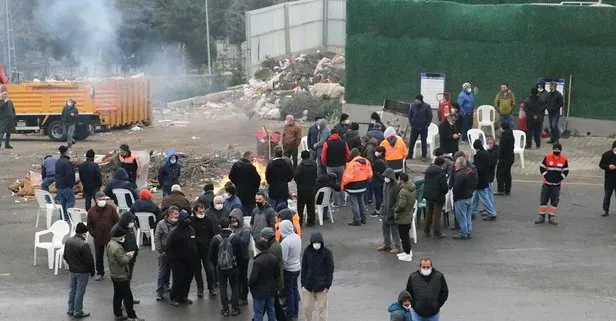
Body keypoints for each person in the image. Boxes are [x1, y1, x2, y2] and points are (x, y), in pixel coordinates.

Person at [107, 229, 143, 321]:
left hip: (114, 273)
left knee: (117, 295)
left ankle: (118, 314)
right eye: (122, 236)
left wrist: (124, 255)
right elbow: (123, 261)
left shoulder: (110, 243)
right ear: (118, 236)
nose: (123, 238)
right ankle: (132, 316)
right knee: (128, 296)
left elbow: (117, 257)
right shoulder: (117, 247)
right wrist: (129, 256)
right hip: (121, 275)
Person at [210, 217, 242, 316]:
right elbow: (241, 253)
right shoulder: (235, 237)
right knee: (235, 287)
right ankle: (235, 309)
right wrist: (238, 264)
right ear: (230, 225)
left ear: (220, 226)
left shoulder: (216, 239)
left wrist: (217, 263)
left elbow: (211, 255)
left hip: (221, 267)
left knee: (223, 287)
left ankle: (225, 309)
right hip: (233, 266)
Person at [166, 210, 197, 306]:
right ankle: (174, 297)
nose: (188, 220)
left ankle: (184, 296)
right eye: (186, 219)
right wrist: (173, 259)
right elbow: (168, 247)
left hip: (190, 260)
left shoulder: (191, 229)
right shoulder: (174, 232)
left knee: (188, 279)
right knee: (178, 280)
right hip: (178, 260)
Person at [64, 223, 95, 319]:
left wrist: (71, 265)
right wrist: (92, 271)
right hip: (82, 272)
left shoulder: (68, 241)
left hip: (72, 270)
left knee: (72, 290)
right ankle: (78, 311)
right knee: (80, 291)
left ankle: (70, 309)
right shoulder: (84, 245)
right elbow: (89, 260)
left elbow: (65, 256)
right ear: (84, 233)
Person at [301, 232, 334, 321]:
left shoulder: (327, 253)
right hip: (308, 286)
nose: (316, 244)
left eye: (318, 242)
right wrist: (303, 284)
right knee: (307, 309)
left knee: (322, 312)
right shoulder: (307, 251)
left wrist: (327, 285)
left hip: (322, 287)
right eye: (314, 242)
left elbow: (330, 270)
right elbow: (304, 267)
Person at [87, 192, 119, 281]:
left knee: (112, 256)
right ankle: (100, 272)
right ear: (96, 200)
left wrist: (114, 232)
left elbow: (117, 220)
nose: (102, 201)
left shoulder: (111, 209)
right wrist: (94, 234)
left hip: (110, 237)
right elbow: (89, 225)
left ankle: (115, 272)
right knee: (98, 256)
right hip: (98, 238)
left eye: (104, 199)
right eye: (100, 199)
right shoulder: (91, 211)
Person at [110, 212, 141, 306]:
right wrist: (125, 255)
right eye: (131, 221)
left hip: (131, 259)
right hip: (123, 260)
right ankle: (125, 300)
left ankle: (128, 297)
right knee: (123, 282)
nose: (132, 223)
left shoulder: (129, 228)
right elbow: (115, 246)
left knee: (128, 280)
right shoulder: (117, 229)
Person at [535, 143, 569, 225]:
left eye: (558, 149)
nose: (556, 150)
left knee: (554, 202)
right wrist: (546, 176)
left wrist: (560, 178)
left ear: (560, 150)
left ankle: (552, 217)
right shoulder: (547, 157)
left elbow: (566, 170)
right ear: (553, 149)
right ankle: (541, 217)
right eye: (555, 149)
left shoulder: (564, 160)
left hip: (556, 185)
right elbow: (542, 167)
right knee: (543, 200)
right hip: (546, 184)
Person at [191, 203, 220, 298]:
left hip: (207, 249)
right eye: (200, 212)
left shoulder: (208, 220)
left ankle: (211, 287)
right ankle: (200, 288)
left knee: (210, 270)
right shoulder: (191, 221)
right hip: (195, 251)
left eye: (203, 211)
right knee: (197, 271)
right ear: (195, 211)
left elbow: (212, 233)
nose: (202, 213)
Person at [249, 239, 280, 321]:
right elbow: (277, 275)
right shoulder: (274, 258)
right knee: (271, 309)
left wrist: (250, 284)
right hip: (271, 290)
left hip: (259, 292)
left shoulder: (257, 262)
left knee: (258, 312)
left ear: (259, 249)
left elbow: (253, 279)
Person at [260, 227, 286, 321]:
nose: (261, 239)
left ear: (267, 237)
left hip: (273, 281)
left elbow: (270, 266)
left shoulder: (272, 249)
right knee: (275, 304)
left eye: (262, 237)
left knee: (268, 304)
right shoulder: (275, 244)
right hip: (275, 279)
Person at [342, 148, 373, 226]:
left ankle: (357, 220)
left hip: (353, 187)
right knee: (361, 202)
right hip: (363, 185)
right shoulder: (366, 162)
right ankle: (363, 218)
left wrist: (343, 185)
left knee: (354, 203)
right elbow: (370, 174)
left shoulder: (351, 164)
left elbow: (348, 178)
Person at [154, 206, 179, 301]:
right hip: (164, 252)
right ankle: (159, 292)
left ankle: (169, 287)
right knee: (162, 272)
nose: (177, 216)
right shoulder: (161, 224)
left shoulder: (179, 224)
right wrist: (160, 251)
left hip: (176, 253)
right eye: (175, 214)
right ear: (169, 214)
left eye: (178, 214)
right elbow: (157, 238)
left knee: (176, 272)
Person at [321, 128, 350, 206]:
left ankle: (335, 202)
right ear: (337, 134)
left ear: (330, 134)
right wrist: (345, 162)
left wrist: (325, 164)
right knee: (341, 183)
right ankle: (343, 202)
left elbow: (323, 156)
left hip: (330, 166)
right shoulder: (343, 143)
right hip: (341, 166)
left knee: (333, 184)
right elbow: (348, 154)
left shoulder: (327, 143)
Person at [230, 208, 253, 306]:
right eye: (231, 219)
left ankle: (243, 296)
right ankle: (236, 296)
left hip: (243, 257)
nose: (232, 221)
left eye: (234, 219)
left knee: (242, 277)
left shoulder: (245, 229)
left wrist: (232, 236)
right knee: (235, 278)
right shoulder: (232, 227)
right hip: (234, 256)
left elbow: (244, 242)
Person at [280, 220, 302, 321]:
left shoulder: (285, 242)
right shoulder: (297, 237)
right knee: (294, 290)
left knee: (289, 293)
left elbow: (283, 259)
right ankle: (296, 312)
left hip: (289, 269)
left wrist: (280, 270)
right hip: (297, 267)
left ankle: (290, 314)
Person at [471, 139, 497, 221]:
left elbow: (480, 168)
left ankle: (491, 212)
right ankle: (472, 211)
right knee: (476, 196)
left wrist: (473, 167)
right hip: (484, 178)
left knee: (483, 197)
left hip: (480, 179)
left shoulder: (480, 155)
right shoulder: (485, 153)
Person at [229, 151, 261, 217]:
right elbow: (257, 180)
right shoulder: (251, 168)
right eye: (252, 157)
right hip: (250, 194)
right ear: (248, 157)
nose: (252, 159)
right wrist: (255, 189)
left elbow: (231, 176)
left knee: (241, 209)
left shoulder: (236, 165)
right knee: (250, 211)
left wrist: (237, 184)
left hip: (239, 191)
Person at [452, 157, 477, 240]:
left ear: (460, 165)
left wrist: (455, 197)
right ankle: (468, 231)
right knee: (468, 215)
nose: (455, 164)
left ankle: (463, 233)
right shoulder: (470, 171)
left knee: (461, 216)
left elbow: (456, 188)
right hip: (469, 196)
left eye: (456, 163)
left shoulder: (459, 175)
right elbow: (475, 182)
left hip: (461, 198)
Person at [377, 168, 401, 254]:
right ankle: (387, 244)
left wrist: (394, 210)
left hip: (392, 211)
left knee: (394, 230)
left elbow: (398, 201)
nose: (385, 178)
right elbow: (384, 197)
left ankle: (397, 246)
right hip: (385, 210)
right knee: (385, 228)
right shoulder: (385, 184)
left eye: (386, 177)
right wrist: (381, 208)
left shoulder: (395, 187)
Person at [423, 157, 448, 238]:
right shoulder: (441, 173)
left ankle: (426, 230)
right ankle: (437, 232)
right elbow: (444, 187)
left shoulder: (428, 170)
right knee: (436, 215)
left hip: (428, 195)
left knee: (428, 213)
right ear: (442, 164)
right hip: (438, 197)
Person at [395, 173, 416, 262]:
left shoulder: (403, 191)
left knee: (404, 236)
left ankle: (407, 254)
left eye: (399, 179)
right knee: (406, 234)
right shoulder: (412, 188)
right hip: (409, 214)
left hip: (403, 217)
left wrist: (396, 210)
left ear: (402, 180)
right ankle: (407, 251)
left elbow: (401, 205)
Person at [294, 150, 318, 226]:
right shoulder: (314, 164)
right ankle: (311, 221)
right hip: (312, 187)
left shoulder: (300, 166)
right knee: (311, 205)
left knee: (300, 207)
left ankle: (299, 222)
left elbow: (296, 177)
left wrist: (299, 184)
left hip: (302, 189)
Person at [408, 94, 433, 161]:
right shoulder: (413, 106)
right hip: (415, 127)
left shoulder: (426, 106)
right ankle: (410, 155)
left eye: (417, 100)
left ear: (421, 100)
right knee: (412, 141)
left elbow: (430, 117)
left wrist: (426, 125)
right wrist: (411, 123)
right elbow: (410, 115)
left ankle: (424, 156)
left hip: (423, 128)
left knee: (423, 142)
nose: (416, 101)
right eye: (415, 100)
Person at [54, 145, 75, 220]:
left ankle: (63, 217)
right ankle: (67, 217)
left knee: (62, 202)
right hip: (66, 186)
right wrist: (70, 185)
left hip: (59, 185)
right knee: (70, 202)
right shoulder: (67, 163)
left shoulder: (58, 161)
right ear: (66, 152)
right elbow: (69, 175)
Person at [496, 122, 515, 196]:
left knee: (500, 173)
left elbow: (502, 148)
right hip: (510, 157)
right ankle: (507, 189)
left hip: (504, 158)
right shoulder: (511, 135)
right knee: (507, 173)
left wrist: (498, 156)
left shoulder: (504, 137)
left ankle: (500, 189)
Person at [369, 146, 388, 217]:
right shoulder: (384, 160)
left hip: (377, 181)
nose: (375, 152)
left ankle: (377, 211)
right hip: (383, 181)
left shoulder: (377, 162)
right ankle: (382, 210)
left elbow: (374, 172)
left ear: (380, 153)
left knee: (377, 197)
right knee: (381, 196)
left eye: (377, 151)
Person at [599, 141, 616, 217]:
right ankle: (605, 210)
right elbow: (601, 165)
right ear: (613, 147)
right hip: (609, 178)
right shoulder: (606, 155)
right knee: (607, 195)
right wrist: (608, 166)